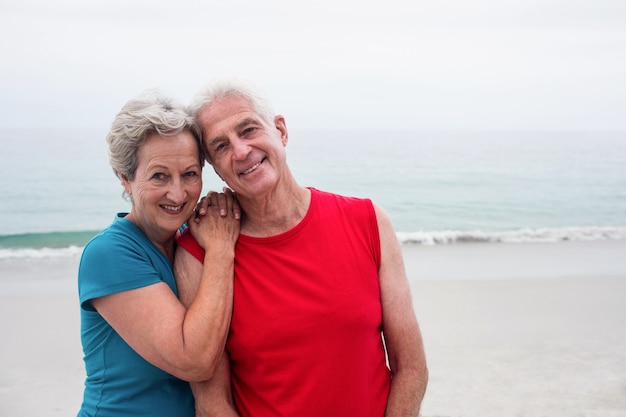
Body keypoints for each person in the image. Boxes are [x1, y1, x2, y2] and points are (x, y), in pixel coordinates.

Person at [174, 78, 428, 416]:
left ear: (280, 130)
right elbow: (212, 404)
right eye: (220, 146)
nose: (240, 151)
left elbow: (410, 367)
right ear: (215, 168)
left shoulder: (367, 220)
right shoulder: (198, 253)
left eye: (248, 129)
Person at [77, 92, 240, 417]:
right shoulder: (108, 254)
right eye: (159, 176)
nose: (178, 193)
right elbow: (195, 360)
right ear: (126, 178)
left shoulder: (189, 240)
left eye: (190, 174)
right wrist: (221, 250)